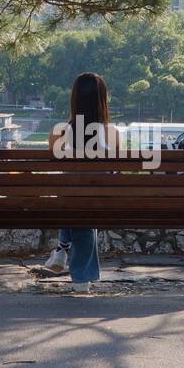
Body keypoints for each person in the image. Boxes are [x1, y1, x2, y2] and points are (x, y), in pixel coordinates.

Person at [42, 72, 119, 294]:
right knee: (85, 204)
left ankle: (62, 248)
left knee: (74, 196)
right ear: (102, 100)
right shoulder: (112, 133)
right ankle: (80, 278)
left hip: (68, 204)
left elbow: (55, 173)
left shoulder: (59, 132)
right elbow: (114, 177)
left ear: (74, 99)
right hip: (99, 205)